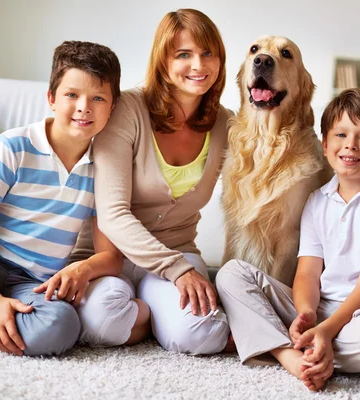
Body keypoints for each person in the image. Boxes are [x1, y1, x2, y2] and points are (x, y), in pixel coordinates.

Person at [0, 41, 150, 356]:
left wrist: (83, 269)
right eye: (72, 95)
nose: (83, 107)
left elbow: (111, 257)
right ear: (51, 98)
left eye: (98, 98)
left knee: (60, 327)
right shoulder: (13, 146)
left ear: (112, 107)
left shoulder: (105, 167)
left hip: (33, 283)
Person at [216, 88, 360, 391]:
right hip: (322, 307)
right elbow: (308, 273)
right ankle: (291, 354)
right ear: (325, 145)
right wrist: (306, 314)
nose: (350, 145)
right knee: (231, 273)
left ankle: (284, 345)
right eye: (340, 135)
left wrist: (325, 331)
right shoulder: (316, 200)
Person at [84, 8, 231, 355]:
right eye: (184, 54)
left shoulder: (225, 123)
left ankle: (158, 316)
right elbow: (113, 214)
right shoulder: (127, 110)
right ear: (163, 60)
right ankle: (153, 316)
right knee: (99, 322)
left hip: (178, 248)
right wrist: (178, 271)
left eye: (208, 53)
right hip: (113, 256)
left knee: (199, 337)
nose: (199, 65)